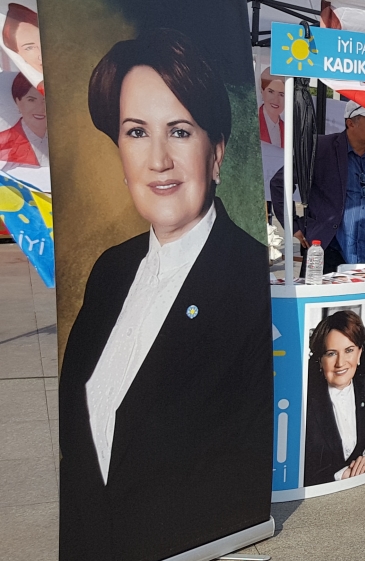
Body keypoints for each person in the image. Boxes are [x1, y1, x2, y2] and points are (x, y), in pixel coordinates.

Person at [59, 30, 272, 560]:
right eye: (136, 132)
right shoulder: (110, 270)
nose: (158, 160)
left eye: (179, 131)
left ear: (216, 152)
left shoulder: (247, 276)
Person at [271, 100, 365, 274]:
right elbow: (280, 182)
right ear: (350, 123)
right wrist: (293, 225)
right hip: (329, 247)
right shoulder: (321, 148)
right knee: (325, 300)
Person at [304, 311, 365, 486]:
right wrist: (342, 474)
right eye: (331, 353)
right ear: (320, 360)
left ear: (359, 354)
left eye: (349, 350)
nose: (340, 363)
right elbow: (301, 465)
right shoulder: (306, 403)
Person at [0, 72, 46, 169]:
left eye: (46, 100)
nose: (41, 108)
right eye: (31, 100)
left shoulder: (73, 139)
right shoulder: (2, 143)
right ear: (18, 101)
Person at [2, 3, 42, 75]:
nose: (41, 55)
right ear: (18, 54)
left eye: (44, 43)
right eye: (29, 48)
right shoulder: (19, 85)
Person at [257, 66, 284, 148]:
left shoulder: (289, 130)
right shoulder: (251, 123)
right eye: (271, 92)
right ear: (262, 91)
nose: (276, 99)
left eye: (281, 94)